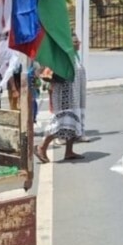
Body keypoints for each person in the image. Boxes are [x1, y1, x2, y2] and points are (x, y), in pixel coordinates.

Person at [35, 34, 87, 163]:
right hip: (65, 96)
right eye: (75, 41)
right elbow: (56, 74)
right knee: (61, 123)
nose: (79, 43)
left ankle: (69, 151)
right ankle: (42, 147)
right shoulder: (64, 57)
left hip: (75, 97)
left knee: (73, 124)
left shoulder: (75, 57)